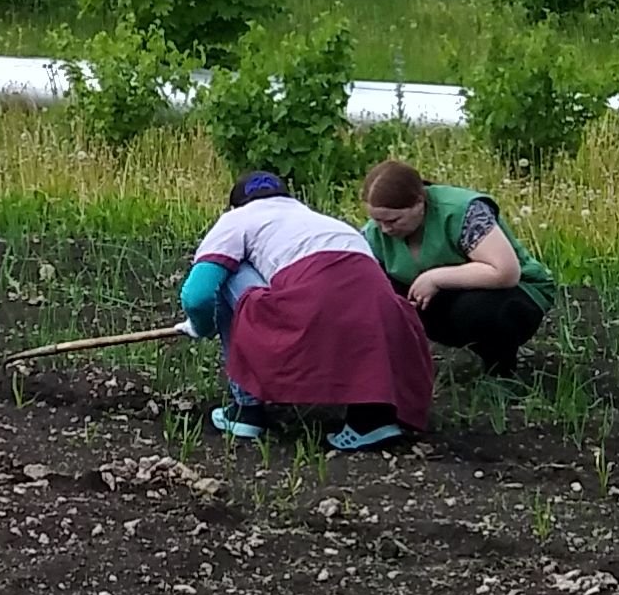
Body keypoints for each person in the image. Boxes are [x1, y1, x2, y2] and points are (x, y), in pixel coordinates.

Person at [181, 171, 433, 448]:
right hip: (379, 311)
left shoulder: (236, 219)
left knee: (229, 270)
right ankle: (372, 418)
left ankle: (246, 410)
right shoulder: (326, 222)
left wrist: (201, 326)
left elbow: (197, 296)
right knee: (357, 303)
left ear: (234, 205)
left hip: (311, 303)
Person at [358, 155, 553, 382]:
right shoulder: (373, 233)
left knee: (476, 311)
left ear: (420, 202)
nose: (384, 229)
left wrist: (435, 278)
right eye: (377, 221)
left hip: (515, 293)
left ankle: (501, 372)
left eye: (393, 221)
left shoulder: (463, 211)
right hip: (445, 299)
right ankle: (394, 375)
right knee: (374, 294)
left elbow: (506, 272)